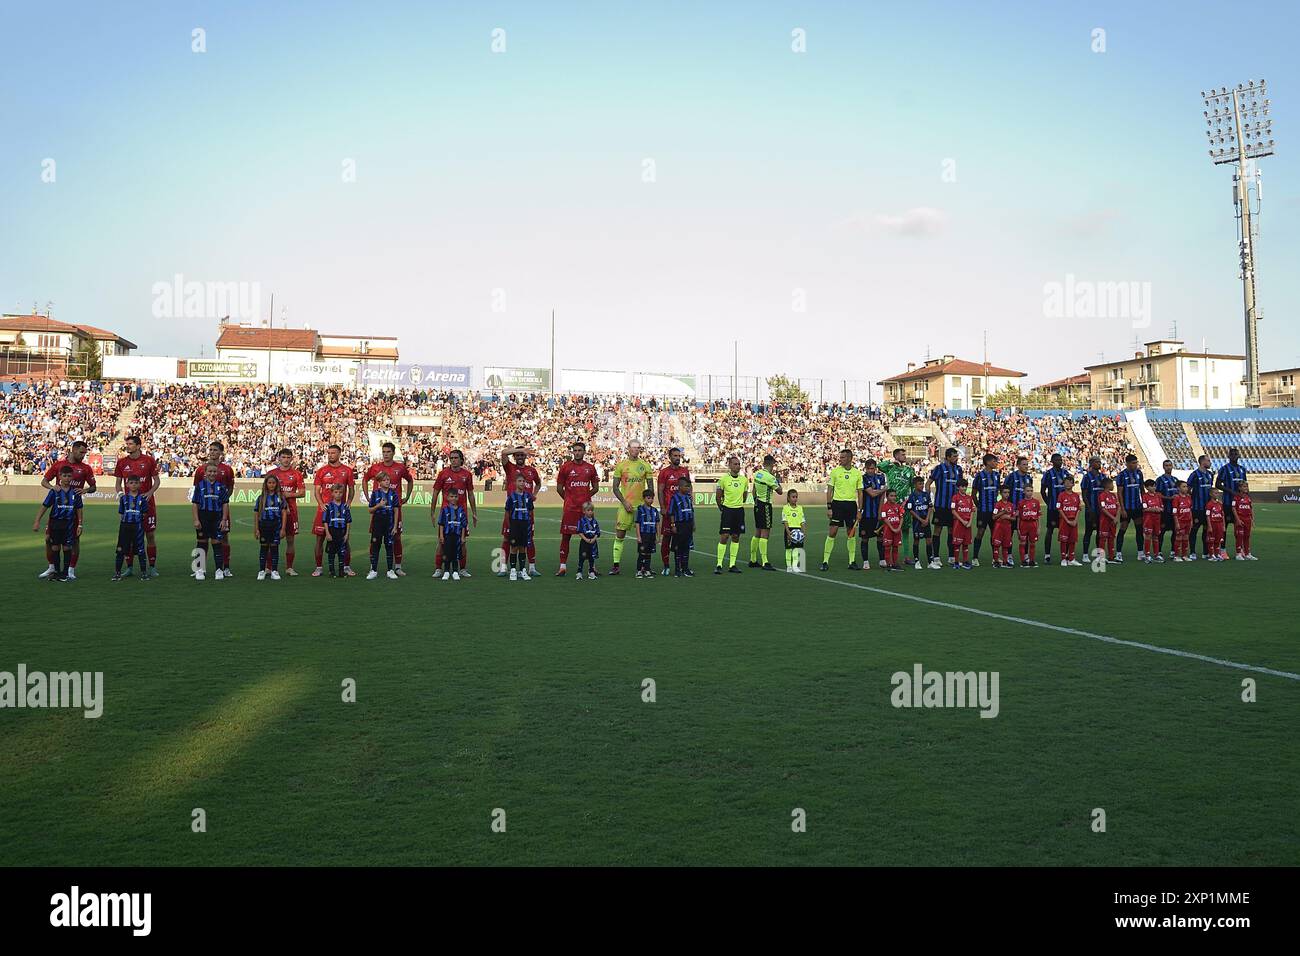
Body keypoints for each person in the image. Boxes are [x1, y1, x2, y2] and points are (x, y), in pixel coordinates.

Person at [39, 440, 96, 580]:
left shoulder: (86, 468)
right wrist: (53, 487)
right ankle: (52, 567)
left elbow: (94, 487)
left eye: (85, 452)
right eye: (81, 452)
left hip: (72, 511)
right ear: (73, 449)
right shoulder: (59, 465)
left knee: (75, 541)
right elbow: (44, 481)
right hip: (57, 512)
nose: (83, 455)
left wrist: (85, 490)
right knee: (49, 540)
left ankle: (71, 569)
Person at [363, 442, 415, 576]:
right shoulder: (375, 468)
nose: (386, 454)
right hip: (379, 511)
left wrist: (407, 496)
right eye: (384, 452)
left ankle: (397, 566)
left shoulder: (400, 468)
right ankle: (372, 567)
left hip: (394, 510)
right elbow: (365, 479)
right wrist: (369, 498)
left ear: (393, 453)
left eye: (388, 452)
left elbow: (410, 480)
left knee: (396, 537)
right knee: (375, 538)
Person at [114, 435, 160, 576]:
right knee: (129, 537)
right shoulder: (122, 462)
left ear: (138, 446)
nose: (127, 446)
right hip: (130, 507)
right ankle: (129, 567)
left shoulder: (149, 460)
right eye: (126, 444)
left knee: (150, 535)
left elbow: (157, 481)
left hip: (147, 504)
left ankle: (151, 567)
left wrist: (150, 493)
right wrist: (121, 496)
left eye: (130, 444)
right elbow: (118, 484)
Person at [609, 440, 655, 576]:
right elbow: (615, 488)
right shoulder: (621, 465)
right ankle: (616, 565)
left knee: (645, 537)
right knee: (620, 535)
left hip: (641, 508)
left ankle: (645, 566)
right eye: (633, 447)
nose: (636, 450)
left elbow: (651, 487)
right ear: (628, 448)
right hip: (626, 506)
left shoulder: (645, 465)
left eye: (638, 448)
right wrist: (624, 502)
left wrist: (647, 504)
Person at [555, 442, 600, 577]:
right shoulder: (565, 468)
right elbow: (559, 488)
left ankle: (592, 567)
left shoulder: (590, 468)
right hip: (570, 508)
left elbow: (596, 487)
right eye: (575, 450)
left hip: (586, 511)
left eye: (580, 450)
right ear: (572, 452)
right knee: (566, 536)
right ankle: (563, 566)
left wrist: (586, 498)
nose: (577, 452)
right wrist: (568, 499)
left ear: (584, 452)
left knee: (590, 536)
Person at [312, 445, 356, 578]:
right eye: (329, 453)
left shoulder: (347, 471)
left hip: (340, 512)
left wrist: (348, 503)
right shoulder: (321, 471)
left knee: (344, 540)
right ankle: (319, 567)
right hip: (324, 511)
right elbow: (317, 491)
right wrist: (321, 504)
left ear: (339, 453)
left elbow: (352, 489)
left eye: (333, 453)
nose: (330, 455)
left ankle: (346, 567)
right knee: (320, 539)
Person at [195, 441, 237, 576]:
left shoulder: (227, 469)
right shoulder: (201, 469)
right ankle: (200, 568)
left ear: (220, 453)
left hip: (220, 511)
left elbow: (230, 487)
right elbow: (197, 489)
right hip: (204, 512)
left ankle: (225, 567)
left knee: (223, 538)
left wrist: (221, 500)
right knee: (202, 539)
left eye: (215, 450)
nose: (212, 452)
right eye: (211, 449)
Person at [432, 449, 477, 577]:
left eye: (456, 457)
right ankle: (438, 568)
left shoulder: (467, 474)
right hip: (446, 514)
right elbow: (435, 492)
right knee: (441, 541)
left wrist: (474, 512)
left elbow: (471, 494)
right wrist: (432, 512)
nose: (453, 460)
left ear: (461, 459)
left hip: (461, 514)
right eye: (451, 458)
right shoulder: (443, 474)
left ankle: (462, 568)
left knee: (462, 542)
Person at [500, 445, 543, 576]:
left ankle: (531, 567)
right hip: (512, 512)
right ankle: (503, 567)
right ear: (514, 456)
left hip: (526, 511)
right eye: (517, 455)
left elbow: (538, 483)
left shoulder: (531, 470)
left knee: (529, 539)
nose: (519, 457)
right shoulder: (510, 468)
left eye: (522, 455)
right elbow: (503, 453)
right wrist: (519, 449)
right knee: (507, 539)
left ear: (525, 457)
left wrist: (534, 494)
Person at [33, 466, 82, 582]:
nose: (67, 478)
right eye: (64, 476)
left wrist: (80, 524)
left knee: (66, 547)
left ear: (72, 477)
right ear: (59, 477)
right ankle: (56, 572)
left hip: (69, 524)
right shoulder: (54, 491)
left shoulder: (75, 492)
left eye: (69, 476)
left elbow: (79, 509)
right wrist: (37, 521)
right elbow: (45, 506)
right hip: (55, 523)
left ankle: (65, 573)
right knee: (54, 546)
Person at [267, 448, 306, 576]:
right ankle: (269, 567)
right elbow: (266, 491)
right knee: (271, 539)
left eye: (288, 457)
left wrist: (288, 494)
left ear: (291, 459)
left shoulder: (296, 474)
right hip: (273, 511)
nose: (286, 460)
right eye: (283, 457)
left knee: (290, 540)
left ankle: (289, 568)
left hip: (291, 512)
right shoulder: (271, 473)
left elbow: (302, 492)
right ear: (279, 458)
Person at [822, 449, 863, 572]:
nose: (840, 459)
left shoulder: (857, 473)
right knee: (833, 532)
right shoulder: (835, 472)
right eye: (840, 457)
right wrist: (829, 507)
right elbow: (829, 490)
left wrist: (859, 510)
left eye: (843, 457)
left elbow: (860, 493)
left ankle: (852, 561)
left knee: (851, 533)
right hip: (837, 505)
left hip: (851, 505)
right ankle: (825, 561)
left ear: (850, 458)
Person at [191, 462, 232, 581]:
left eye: (214, 471)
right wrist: (196, 519)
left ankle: (219, 570)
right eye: (210, 471)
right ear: (205, 473)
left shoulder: (221, 487)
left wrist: (224, 519)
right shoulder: (200, 485)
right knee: (201, 543)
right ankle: (199, 569)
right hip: (203, 516)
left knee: (217, 543)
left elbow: (225, 504)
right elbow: (195, 504)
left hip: (217, 518)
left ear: (217, 472)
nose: (212, 473)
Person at [657, 447, 692, 576]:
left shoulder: (685, 471)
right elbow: (660, 490)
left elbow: (689, 488)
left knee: (683, 540)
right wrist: (662, 506)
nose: (677, 457)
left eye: (679, 455)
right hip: (669, 512)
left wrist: (690, 500)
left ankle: (683, 566)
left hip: (682, 514)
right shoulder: (664, 472)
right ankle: (666, 566)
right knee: (666, 538)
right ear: (670, 457)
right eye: (675, 455)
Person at [927, 447, 962, 568]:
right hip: (941, 505)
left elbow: (960, 487)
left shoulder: (959, 469)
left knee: (952, 531)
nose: (956, 458)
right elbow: (928, 483)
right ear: (947, 457)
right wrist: (928, 499)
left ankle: (952, 557)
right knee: (938, 530)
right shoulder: (939, 468)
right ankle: (936, 557)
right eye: (954, 456)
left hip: (954, 507)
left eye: (957, 456)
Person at [880, 449, 916, 565]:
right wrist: (891, 461)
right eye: (902, 454)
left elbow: (913, 487)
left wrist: (909, 500)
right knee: (888, 530)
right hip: (891, 505)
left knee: (905, 530)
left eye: (905, 454)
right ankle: (887, 558)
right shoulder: (890, 468)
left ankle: (906, 557)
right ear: (896, 456)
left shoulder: (909, 470)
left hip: (904, 505)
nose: (905, 456)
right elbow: (880, 466)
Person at [714, 454, 748, 574]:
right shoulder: (723, 479)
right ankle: (719, 564)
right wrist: (722, 509)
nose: (737, 466)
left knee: (736, 537)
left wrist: (738, 503)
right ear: (729, 465)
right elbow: (718, 496)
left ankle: (732, 564)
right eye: (735, 464)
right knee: (724, 536)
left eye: (739, 464)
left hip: (739, 511)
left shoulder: (744, 480)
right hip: (727, 510)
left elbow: (745, 495)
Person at [113, 474, 148, 581]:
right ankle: (117, 573)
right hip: (125, 526)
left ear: (140, 484)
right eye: (131, 483)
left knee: (141, 550)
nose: (133, 485)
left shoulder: (143, 498)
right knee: (120, 550)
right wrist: (124, 523)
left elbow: (144, 513)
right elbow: (121, 513)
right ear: (127, 485)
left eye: (136, 483)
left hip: (137, 526)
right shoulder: (123, 498)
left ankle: (144, 573)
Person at [365, 472, 400, 580]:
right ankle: (373, 570)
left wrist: (395, 527)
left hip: (389, 524)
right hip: (377, 523)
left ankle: (390, 570)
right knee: (375, 546)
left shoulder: (393, 494)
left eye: (388, 480)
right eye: (385, 480)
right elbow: (370, 510)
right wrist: (378, 505)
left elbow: (396, 510)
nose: (387, 482)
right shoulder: (375, 494)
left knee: (389, 546)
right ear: (379, 482)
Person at [749, 454, 781, 570]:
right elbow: (780, 491)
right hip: (766, 505)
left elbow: (753, 490)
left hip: (757, 503)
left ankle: (753, 559)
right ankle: (765, 561)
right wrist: (777, 480)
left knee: (757, 531)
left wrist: (755, 501)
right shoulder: (770, 478)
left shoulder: (757, 474)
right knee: (765, 532)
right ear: (771, 464)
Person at [253, 473, 287, 580]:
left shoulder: (280, 498)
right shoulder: (261, 498)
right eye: (269, 483)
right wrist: (256, 529)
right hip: (264, 526)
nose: (271, 485)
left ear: (276, 484)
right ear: (266, 484)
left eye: (273, 483)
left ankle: (274, 570)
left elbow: (284, 513)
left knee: (274, 548)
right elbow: (256, 514)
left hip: (276, 526)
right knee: (263, 548)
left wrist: (283, 529)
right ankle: (262, 570)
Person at [971, 453, 1001, 568]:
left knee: (994, 534)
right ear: (988, 462)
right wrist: (979, 505)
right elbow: (974, 494)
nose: (996, 463)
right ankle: (975, 557)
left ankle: (995, 558)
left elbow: (998, 491)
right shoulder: (979, 475)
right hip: (983, 510)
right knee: (980, 533)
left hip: (994, 511)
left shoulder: (997, 475)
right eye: (994, 461)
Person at [1039, 453, 1070, 565]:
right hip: (1052, 508)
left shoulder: (1065, 473)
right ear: (1052, 461)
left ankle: (1065, 555)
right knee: (1050, 530)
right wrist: (1048, 502)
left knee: (1065, 531)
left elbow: (1070, 487)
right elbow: (1043, 490)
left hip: (1065, 508)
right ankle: (1047, 555)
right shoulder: (1048, 474)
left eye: (1061, 459)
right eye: (1057, 460)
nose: (1060, 461)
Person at [1114, 453, 1144, 563]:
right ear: (1127, 464)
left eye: (1136, 463)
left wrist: (1144, 504)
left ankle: (1140, 553)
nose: (1135, 465)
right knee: (1122, 529)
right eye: (1133, 463)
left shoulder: (1139, 473)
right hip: (1126, 507)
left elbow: (1142, 489)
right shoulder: (1122, 475)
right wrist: (1122, 509)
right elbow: (1120, 493)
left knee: (1139, 530)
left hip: (1137, 507)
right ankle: (1118, 554)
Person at [504, 473, 535, 581]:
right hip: (515, 524)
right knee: (514, 547)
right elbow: (507, 512)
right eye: (520, 481)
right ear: (515, 483)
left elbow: (530, 511)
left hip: (525, 525)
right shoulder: (511, 497)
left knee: (523, 548)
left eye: (523, 481)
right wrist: (509, 526)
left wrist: (529, 524)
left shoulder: (528, 497)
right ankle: (513, 570)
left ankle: (522, 570)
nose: (522, 483)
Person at [858, 458, 886, 571]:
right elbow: (872, 494)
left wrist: (880, 512)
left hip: (877, 513)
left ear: (875, 468)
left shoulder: (881, 477)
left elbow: (882, 496)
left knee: (880, 537)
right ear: (865, 468)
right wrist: (883, 490)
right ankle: (865, 561)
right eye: (868, 468)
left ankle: (882, 559)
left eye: (872, 468)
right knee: (865, 538)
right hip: (866, 514)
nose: (870, 470)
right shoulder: (863, 478)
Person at [1186, 454, 1215, 561]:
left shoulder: (1210, 474)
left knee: (1207, 530)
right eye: (1208, 460)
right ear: (1202, 462)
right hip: (1197, 508)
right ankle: (1192, 552)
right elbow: (1188, 489)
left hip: (1208, 508)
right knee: (1194, 530)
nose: (1210, 462)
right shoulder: (1194, 474)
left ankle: (1205, 552)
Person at [904, 475, 935, 571]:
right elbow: (911, 510)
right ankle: (917, 561)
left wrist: (927, 519)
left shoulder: (926, 495)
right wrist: (921, 520)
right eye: (919, 484)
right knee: (916, 540)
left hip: (926, 521)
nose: (922, 485)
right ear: (915, 485)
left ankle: (930, 562)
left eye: (922, 483)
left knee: (929, 540)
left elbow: (930, 507)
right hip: (917, 523)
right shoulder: (912, 496)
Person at [322, 483, 352, 579]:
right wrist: (327, 533)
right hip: (332, 531)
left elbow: (348, 521)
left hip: (342, 532)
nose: (338, 494)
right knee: (331, 552)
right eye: (336, 492)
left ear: (343, 494)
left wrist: (347, 534)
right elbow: (325, 521)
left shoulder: (345, 507)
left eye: (340, 492)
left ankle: (341, 571)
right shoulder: (328, 506)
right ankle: (331, 571)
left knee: (341, 552)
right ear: (332, 493)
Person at [437, 489, 468, 580]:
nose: (453, 498)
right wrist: (441, 536)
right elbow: (441, 524)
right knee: (447, 553)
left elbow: (463, 525)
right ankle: (446, 571)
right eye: (451, 496)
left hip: (457, 536)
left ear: (458, 498)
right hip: (447, 535)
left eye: (455, 496)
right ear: (447, 498)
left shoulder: (461, 510)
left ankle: (455, 571)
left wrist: (462, 537)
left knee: (455, 554)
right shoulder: (445, 510)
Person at [1215, 447, 1248, 533]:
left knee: (1240, 525)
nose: (1234, 456)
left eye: (1236, 454)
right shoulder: (1224, 469)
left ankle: (1239, 546)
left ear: (1239, 456)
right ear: (1228, 456)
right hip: (1228, 502)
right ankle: (1222, 546)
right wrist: (1231, 491)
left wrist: (1247, 498)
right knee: (1224, 525)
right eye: (1232, 454)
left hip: (1240, 503)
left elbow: (1245, 485)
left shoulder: (1242, 469)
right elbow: (1217, 484)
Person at [669, 478, 696, 577]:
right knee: (678, 548)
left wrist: (693, 523)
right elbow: (671, 512)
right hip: (679, 525)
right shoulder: (674, 498)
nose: (688, 488)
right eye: (686, 486)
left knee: (686, 547)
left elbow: (691, 511)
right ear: (680, 487)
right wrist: (673, 525)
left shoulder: (689, 497)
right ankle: (677, 569)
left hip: (688, 524)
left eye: (689, 486)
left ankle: (685, 568)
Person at [1079, 457, 1106, 557]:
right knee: (1088, 532)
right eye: (1097, 462)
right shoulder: (1087, 477)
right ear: (1091, 463)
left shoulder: (1103, 476)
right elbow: (1084, 494)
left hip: (1101, 510)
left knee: (1100, 532)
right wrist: (1089, 508)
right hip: (1091, 509)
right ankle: (1085, 554)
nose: (1099, 463)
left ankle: (1099, 554)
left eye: (1100, 462)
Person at [1154, 460, 1178, 560]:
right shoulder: (1160, 480)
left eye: (1170, 465)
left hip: (1174, 511)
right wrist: (1169, 498)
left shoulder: (1176, 479)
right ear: (1163, 467)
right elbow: (1158, 494)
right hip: (1165, 510)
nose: (1168, 467)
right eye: (1166, 465)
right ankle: (1159, 551)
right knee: (1161, 531)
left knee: (1175, 531)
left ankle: (1173, 551)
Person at [1056, 474, 1082, 566]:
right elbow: (1059, 509)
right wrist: (1067, 520)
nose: (1067, 484)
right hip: (1064, 521)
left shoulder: (1076, 496)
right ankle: (1063, 559)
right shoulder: (1061, 495)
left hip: (1074, 521)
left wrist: (1075, 520)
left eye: (1069, 482)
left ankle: (1071, 559)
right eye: (1065, 483)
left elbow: (1079, 508)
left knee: (1072, 540)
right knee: (1063, 540)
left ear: (1073, 484)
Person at [635, 489, 660, 579]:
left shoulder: (655, 511)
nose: (651, 500)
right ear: (644, 498)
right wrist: (638, 536)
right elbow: (637, 523)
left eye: (652, 498)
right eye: (649, 498)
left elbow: (657, 524)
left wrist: (658, 536)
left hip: (652, 535)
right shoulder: (640, 509)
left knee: (649, 553)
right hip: (643, 534)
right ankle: (639, 571)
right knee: (642, 553)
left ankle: (647, 570)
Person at [951, 477, 974, 570]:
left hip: (968, 525)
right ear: (958, 487)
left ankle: (965, 561)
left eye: (965, 486)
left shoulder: (969, 498)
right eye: (962, 486)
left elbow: (972, 510)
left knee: (966, 543)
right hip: (958, 524)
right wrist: (962, 521)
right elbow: (953, 511)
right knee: (957, 544)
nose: (964, 488)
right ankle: (956, 562)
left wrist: (970, 522)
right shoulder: (955, 497)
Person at [781, 488, 806, 574]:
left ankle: (795, 566)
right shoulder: (785, 508)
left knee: (797, 549)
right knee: (789, 549)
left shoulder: (800, 508)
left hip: (798, 531)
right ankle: (789, 566)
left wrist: (803, 532)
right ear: (788, 498)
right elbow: (785, 521)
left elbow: (802, 521)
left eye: (796, 497)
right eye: (793, 497)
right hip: (790, 530)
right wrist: (788, 532)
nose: (795, 498)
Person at [879, 489, 905, 571]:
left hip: (897, 530)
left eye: (895, 496)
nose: (894, 497)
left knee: (895, 547)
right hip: (888, 530)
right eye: (891, 496)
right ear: (887, 497)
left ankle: (895, 563)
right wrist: (892, 528)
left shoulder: (898, 506)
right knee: (887, 547)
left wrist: (898, 528)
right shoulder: (884, 507)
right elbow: (885, 519)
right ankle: (888, 564)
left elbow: (901, 517)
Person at [1016, 483, 1041, 567]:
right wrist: (1018, 528)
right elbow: (1018, 517)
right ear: (1024, 492)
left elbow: (1038, 516)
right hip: (1023, 524)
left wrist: (1039, 527)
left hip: (1033, 524)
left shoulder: (1036, 502)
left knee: (1033, 543)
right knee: (1022, 543)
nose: (1029, 493)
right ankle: (1023, 561)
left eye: (1031, 491)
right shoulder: (1021, 503)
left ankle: (1032, 560)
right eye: (1027, 491)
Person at [1140, 479, 1163, 564]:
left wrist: (1159, 509)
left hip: (1157, 519)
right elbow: (1144, 508)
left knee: (1156, 536)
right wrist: (1153, 509)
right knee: (1148, 536)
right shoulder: (1145, 496)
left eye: (1154, 486)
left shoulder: (1158, 496)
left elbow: (1161, 507)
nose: (1154, 487)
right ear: (1147, 487)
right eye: (1152, 486)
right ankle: (1147, 555)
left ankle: (1156, 555)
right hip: (1148, 519)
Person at [576, 501, 601, 580]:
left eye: (591, 510)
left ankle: (591, 572)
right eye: (588, 510)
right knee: (582, 557)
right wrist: (586, 539)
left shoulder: (595, 521)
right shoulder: (581, 521)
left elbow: (597, 532)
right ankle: (579, 572)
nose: (590, 512)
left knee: (592, 557)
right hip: (584, 541)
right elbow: (579, 532)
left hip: (593, 542)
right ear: (584, 511)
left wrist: (594, 539)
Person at [991, 487, 1016, 568]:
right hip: (999, 527)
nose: (1007, 494)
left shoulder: (1011, 505)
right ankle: (996, 561)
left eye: (1008, 492)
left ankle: (1005, 562)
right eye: (1005, 492)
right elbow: (994, 517)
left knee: (1006, 545)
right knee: (996, 545)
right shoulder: (998, 504)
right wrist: (1003, 512)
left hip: (1008, 527)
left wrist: (1007, 517)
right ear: (1001, 493)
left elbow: (1014, 518)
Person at [1231, 480, 1256, 560]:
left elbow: (1251, 508)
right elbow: (1233, 509)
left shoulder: (1248, 498)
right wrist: (1237, 519)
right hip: (1240, 519)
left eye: (1246, 486)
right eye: (1244, 487)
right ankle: (1238, 554)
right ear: (1239, 488)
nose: (1246, 488)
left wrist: (1252, 519)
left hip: (1247, 519)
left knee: (1247, 536)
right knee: (1239, 536)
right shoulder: (1236, 498)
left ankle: (1247, 553)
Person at [1171, 480, 1193, 562]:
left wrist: (1191, 521)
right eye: (1183, 486)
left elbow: (1190, 510)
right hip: (1180, 521)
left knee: (1186, 538)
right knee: (1179, 538)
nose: (1186, 488)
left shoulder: (1188, 498)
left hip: (1188, 521)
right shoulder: (1176, 498)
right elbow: (1174, 512)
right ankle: (1176, 556)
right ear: (1178, 488)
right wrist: (1176, 523)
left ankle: (1185, 555)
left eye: (1186, 486)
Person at [1205, 490, 1227, 562]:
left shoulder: (1220, 504)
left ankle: (1217, 554)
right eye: (1215, 493)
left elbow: (1222, 515)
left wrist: (1223, 525)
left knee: (1218, 540)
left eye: (1218, 493)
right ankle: (1211, 555)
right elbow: (1208, 516)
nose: (1217, 494)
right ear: (1211, 494)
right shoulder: (1209, 504)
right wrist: (1209, 526)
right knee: (1211, 540)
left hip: (1219, 524)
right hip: (1213, 523)